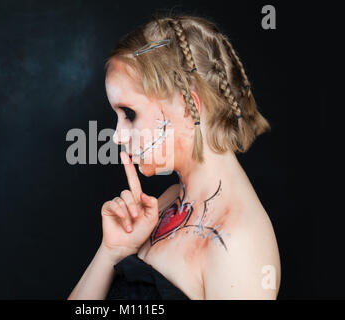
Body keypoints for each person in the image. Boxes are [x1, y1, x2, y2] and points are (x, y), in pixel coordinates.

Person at [68, 13, 280, 300]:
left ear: (187, 106)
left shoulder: (239, 245)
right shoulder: (167, 201)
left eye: (130, 114)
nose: (117, 136)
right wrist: (112, 252)